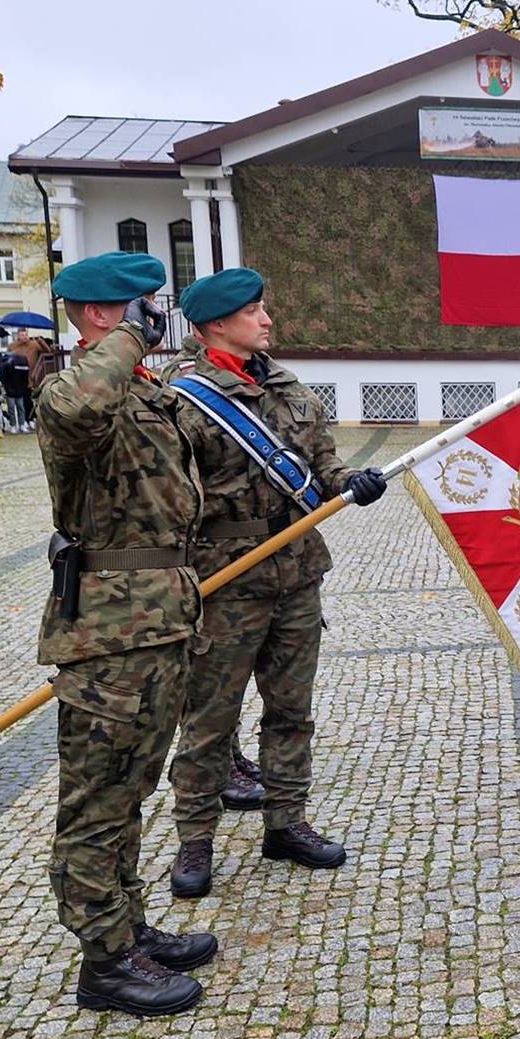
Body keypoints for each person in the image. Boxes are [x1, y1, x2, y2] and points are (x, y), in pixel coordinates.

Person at [163, 267, 386, 899]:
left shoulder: (292, 391)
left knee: (291, 711)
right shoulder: (182, 400)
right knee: (210, 717)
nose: (267, 319)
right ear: (216, 325)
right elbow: (170, 496)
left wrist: (351, 485)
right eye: (254, 311)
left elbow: (324, 466)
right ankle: (195, 841)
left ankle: (286, 823)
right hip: (226, 579)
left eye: (264, 309)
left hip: (297, 574)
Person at [39, 250, 213, 1016]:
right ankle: (104, 964)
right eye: (144, 309)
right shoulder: (70, 392)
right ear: (103, 315)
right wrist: (124, 343)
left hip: (161, 619)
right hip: (108, 636)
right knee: (96, 802)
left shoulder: (144, 396)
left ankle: (128, 927)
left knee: (131, 791)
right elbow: (79, 411)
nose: (156, 322)